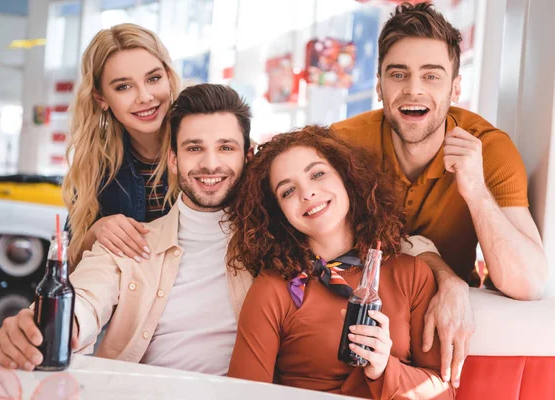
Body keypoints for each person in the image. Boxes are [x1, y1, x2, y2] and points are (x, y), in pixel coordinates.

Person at [331, 2, 548, 388]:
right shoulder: (343, 145)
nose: (413, 89)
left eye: (432, 76)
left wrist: (476, 192)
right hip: (349, 331)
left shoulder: (490, 150)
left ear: (456, 87)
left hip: (434, 350)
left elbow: (530, 283)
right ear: (379, 86)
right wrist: (446, 276)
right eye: (399, 74)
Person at [0, 84, 253, 375]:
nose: (210, 164)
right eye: (194, 148)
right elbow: (87, 297)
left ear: (248, 155)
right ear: (173, 160)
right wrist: (45, 326)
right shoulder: (128, 243)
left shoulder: (273, 245)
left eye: (226, 147)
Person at [226, 126, 455, 399]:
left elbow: (444, 392)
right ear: (278, 212)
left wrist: (383, 369)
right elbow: (242, 394)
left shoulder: (412, 274)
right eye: (287, 191)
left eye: (318, 174)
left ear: (346, 177)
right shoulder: (272, 289)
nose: (307, 193)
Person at [62, 23, 181, 265]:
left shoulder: (210, 143)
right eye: (123, 87)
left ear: (168, 78)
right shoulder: (97, 164)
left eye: (154, 78)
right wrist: (96, 231)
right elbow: (67, 265)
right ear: (101, 98)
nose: (145, 97)